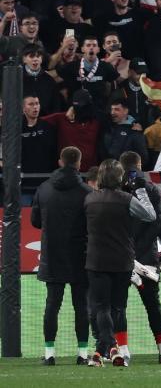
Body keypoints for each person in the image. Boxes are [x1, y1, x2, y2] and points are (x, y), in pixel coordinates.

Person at [83, 159, 157, 366]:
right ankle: (111, 350)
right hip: (122, 260)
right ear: (119, 177)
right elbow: (150, 216)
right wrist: (140, 191)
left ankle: (104, 350)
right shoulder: (126, 199)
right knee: (117, 307)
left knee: (101, 307)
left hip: (96, 260)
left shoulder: (89, 199)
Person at [30, 147, 91, 366]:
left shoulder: (44, 189)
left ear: (60, 161)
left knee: (52, 304)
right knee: (82, 305)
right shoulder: (86, 192)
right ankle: (83, 355)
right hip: (80, 256)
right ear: (79, 163)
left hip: (52, 255)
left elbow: (35, 221)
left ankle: (49, 354)